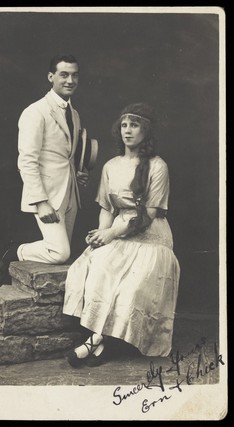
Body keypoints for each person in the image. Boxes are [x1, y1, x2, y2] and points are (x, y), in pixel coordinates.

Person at [63, 102, 180, 368]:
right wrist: (103, 234)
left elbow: (148, 214)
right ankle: (99, 343)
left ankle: (94, 343)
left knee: (132, 286)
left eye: (135, 125)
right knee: (98, 267)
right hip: (116, 232)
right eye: (124, 125)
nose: (128, 131)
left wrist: (112, 233)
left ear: (146, 131)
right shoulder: (110, 166)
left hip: (151, 238)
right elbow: (106, 207)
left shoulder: (157, 166)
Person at [0, 54, 88, 286]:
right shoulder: (35, 111)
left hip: (69, 194)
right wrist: (40, 200)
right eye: (64, 74)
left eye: (74, 75)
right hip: (47, 194)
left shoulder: (74, 114)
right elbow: (27, 160)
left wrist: (77, 175)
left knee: (61, 258)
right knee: (60, 253)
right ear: (51, 77)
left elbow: (63, 157)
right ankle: (15, 253)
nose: (70, 80)